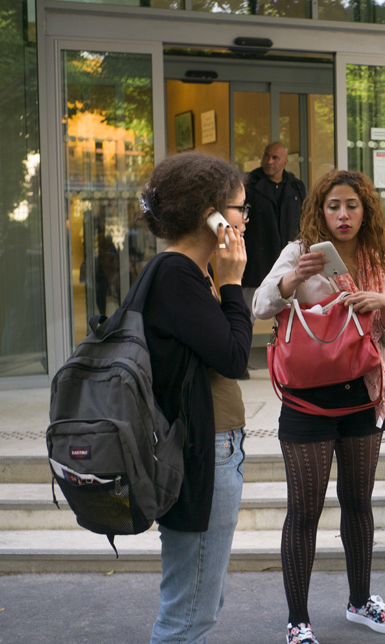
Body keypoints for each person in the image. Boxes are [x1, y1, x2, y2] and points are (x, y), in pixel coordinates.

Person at [253, 170, 385, 644]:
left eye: (352, 206)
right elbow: (259, 306)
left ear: (366, 211)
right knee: (304, 512)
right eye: (334, 205)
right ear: (321, 209)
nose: (343, 215)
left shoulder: (379, 260)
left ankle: (360, 602)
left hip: (362, 397)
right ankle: (298, 621)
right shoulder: (299, 252)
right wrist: (288, 282)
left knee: (358, 504)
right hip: (305, 402)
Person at [138, 152, 252, 643]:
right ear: (211, 213)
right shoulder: (177, 274)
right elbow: (233, 357)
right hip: (204, 454)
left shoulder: (183, 273)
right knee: (189, 615)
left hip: (214, 448)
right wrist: (232, 285)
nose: (245, 219)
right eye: (240, 208)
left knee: (200, 600)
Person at [243, 141, 307, 312]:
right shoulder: (248, 184)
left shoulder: (296, 187)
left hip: (286, 261)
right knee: (248, 312)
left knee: (289, 312)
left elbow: (304, 221)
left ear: (285, 162)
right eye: (266, 156)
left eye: (275, 157)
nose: (269, 161)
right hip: (256, 262)